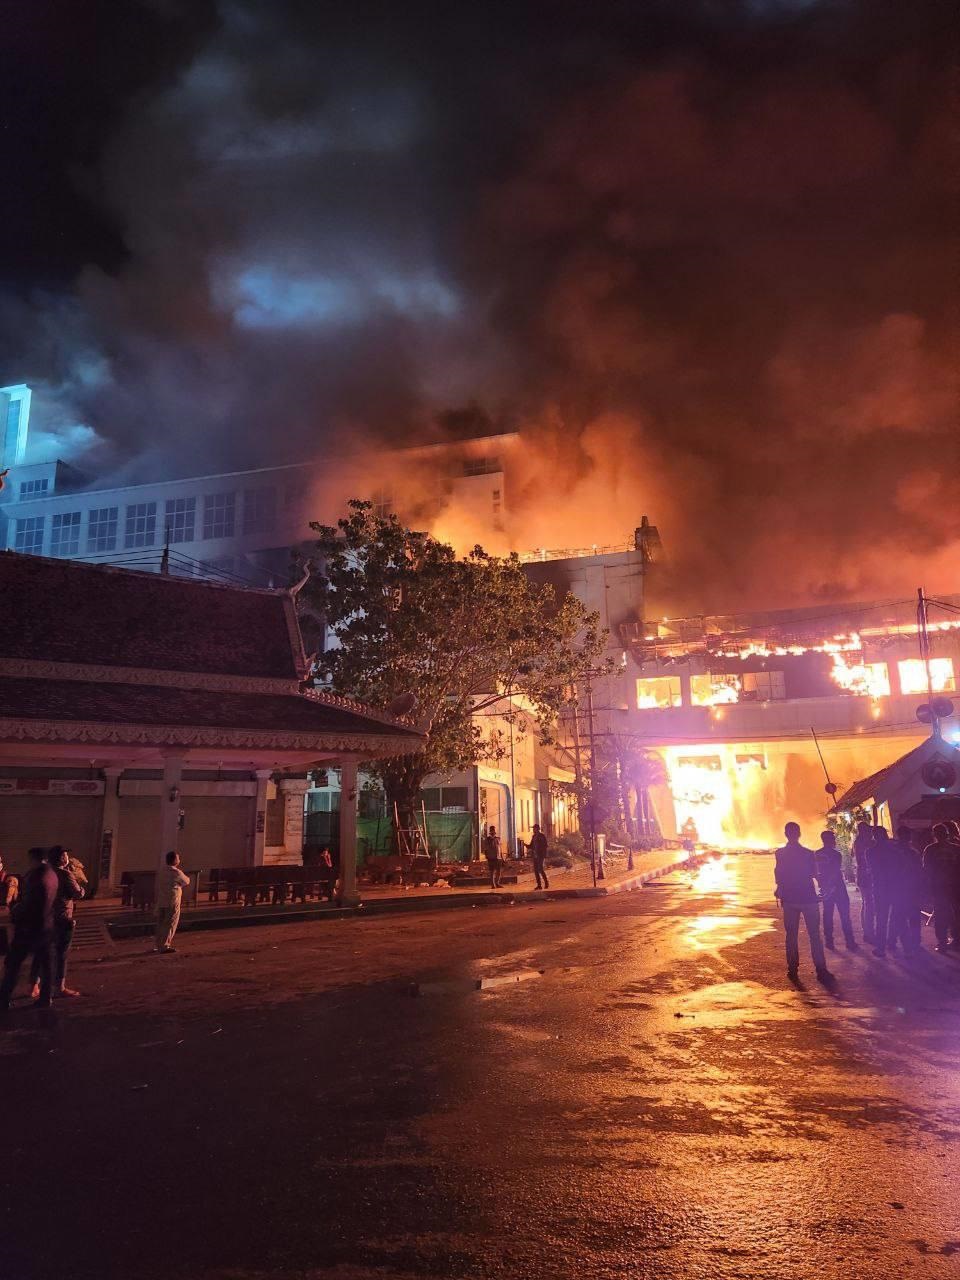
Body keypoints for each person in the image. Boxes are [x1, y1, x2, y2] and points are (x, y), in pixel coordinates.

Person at [774, 822, 833, 984]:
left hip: (790, 899)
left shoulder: (780, 854)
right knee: (814, 935)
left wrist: (779, 889)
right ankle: (820, 968)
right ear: (799, 834)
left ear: (786, 834)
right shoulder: (808, 854)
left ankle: (792, 968)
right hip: (808, 898)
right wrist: (825, 889)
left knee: (791, 936)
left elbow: (779, 874)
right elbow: (816, 874)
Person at [0, 847, 58, 1010]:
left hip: (29, 928)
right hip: (45, 926)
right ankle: (46, 998)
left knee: (13, 964)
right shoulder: (52, 874)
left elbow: (29, 903)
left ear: (35, 858)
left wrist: (16, 912)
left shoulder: (36, 876)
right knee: (46, 965)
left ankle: (3, 999)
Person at [30, 847, 84, 999]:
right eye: (65, 855)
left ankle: (34, 985)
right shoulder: (65, 874)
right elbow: (77, 893)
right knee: (61, 953)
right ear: (61, 858)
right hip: (62, 917)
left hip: (45, 918)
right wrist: (81, 887)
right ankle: (60, 987)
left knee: (42, 953)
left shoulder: (44, 873)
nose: (67, 858)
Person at [814, 830, 857, 951]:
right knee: (844, 915)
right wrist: (830, 885)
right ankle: (849, 941)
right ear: (829, 840)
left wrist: (823, 885)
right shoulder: (836, 854)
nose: (834, 840)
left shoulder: (817, 854)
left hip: (826, 888)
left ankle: (829, 941)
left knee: (828, 915)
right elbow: (835, 871)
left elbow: (815, 872)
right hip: (838, 888)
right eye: (833, 838)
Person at [923, 823, 959, 954]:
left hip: (939, 886)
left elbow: (927, 869)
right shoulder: (956, 849)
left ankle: (942, 942)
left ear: (935, 835)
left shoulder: (930, 849)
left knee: (941, 914)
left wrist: (927, 887)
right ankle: (956, 940)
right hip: (955, 886)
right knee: (956, 914)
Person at [892, 826, 925, 954]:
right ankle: (912, 942)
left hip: (903, 888)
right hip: (906, 888)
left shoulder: (898, 851)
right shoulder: (910, 852)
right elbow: (919, 871)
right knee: (909, 916)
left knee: (903, 917)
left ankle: (908, 942)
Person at [868, 827, 900, 957]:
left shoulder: (870, 851)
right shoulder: (894, 849)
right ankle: (891, 941)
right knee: (895, 916)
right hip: (894, 886)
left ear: (874, 837)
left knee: (881, 918)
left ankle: (881, 947)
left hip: (880, 887)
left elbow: (873, 870)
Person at [155, 851, 190, 954]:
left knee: (161, 923)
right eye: (178, 858)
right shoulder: (176, 872)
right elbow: (186, 881)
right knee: (170, 923)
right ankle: (165, 945)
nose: (179, 860)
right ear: (174, 860)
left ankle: (158, 944)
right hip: (172, 900)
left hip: (162, 900)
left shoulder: (162, 871)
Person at [852, 821, 878, 945]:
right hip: (866, 877)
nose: (871, 833)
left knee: (867, 904)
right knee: (869, 905)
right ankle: (869, 932)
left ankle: (868, 931)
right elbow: (864, 861)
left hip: (863, 877)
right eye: (869, 831)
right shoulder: (863, 843)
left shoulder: (859, 842)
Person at [529, 823, 549, 890]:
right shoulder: (534, 836)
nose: (533, 830)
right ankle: (539, 885)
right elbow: (531, 845)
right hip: (535, 855)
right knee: (536, 871)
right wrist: (525, 845)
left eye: (534, 828)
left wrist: (544, 854)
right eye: (533, 828)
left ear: (537, 829)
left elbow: (545, 845)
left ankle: (546, 882)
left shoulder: (542, 836)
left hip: (540, 855)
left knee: (540, 869)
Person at [482, 825, 503, 889]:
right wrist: (487, 856)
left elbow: (500, 848)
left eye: (494, 830)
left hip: (498, 857)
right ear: (490, 831)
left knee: (499, 871)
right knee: (492, 871)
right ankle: (493, 884)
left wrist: (502, 857)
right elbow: (485, 849)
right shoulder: (488, 839)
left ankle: (497, 883)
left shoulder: (498, 839)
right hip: (491, 857)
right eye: (492, 830)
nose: (493, 832)